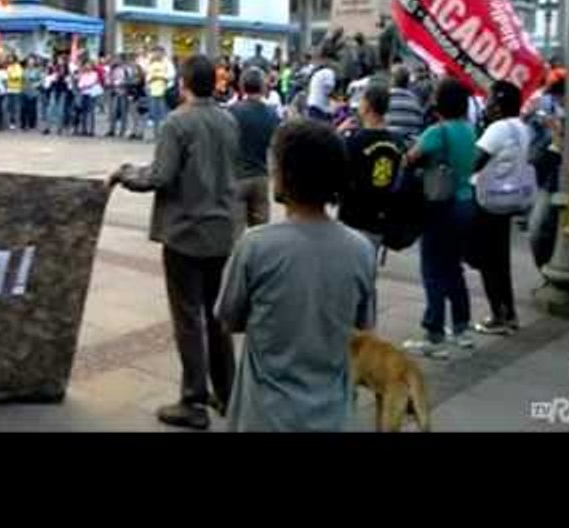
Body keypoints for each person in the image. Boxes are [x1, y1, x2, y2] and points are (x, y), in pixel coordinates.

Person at [215, 119, 375, 432]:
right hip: (332, 414)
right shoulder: (361, 249)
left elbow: (228, 318)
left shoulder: (256, 245)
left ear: (285, 175)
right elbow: (362, 324)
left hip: (264, 415)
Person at [108, 55, 239, 430]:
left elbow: (160, 175)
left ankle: (193, 400)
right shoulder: (228, 119)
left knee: (188, 318)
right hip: (221, 230)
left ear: (183, 83)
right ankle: (227, 392)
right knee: (217, 318)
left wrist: (124, 174)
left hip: (185, 233)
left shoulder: (177, 122)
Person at [403, 78, 478, 359]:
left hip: (440, 205)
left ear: (440, 103)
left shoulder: (438, 131)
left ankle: (434, 332)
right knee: (454, 267)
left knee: (432, 268)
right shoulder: (470, 130)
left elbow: (410, 158)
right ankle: (461, 327)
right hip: (466, 202)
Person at [338, 82, 405, 324]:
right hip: (379, 218)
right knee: (368, 275)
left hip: (353, 217)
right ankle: (367, 325)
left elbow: (337, 170)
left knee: (347, 277)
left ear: (367, 106)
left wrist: (338, 132)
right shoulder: (396, 142)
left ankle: (352, 326)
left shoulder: (355, 141)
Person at [471, 81, 529, 336]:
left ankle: (498, 317)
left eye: (491, 98)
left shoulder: (498, 128)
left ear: (500, 103)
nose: (487, 103)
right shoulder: (521, 128)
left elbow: (474, 161)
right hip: (508, 197)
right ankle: (510, 314)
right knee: (501, 260)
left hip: (488, 200)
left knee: (487, 260)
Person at [229, 68, 280, 236]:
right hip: (261, 177)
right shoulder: (272, 115)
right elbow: (275, 146)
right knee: (261, 233)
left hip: (236, 176)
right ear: (263, 87)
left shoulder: (232, 112)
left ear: (242, 86)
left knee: (234, 235)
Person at [386, 65, 426, 146]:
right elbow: (420, 123)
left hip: (388, 143)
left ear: (392, 80)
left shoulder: (384, 98)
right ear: (407, 82)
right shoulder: (415, 100)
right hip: (409, 146)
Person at [306, 50, 338, 123]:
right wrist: (337, 99)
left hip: (312, 104)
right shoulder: (329, 72)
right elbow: (329, 90)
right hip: (320, 107)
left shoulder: (319, 72)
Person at [146, 47, 171, 140]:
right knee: (154, 114)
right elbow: (148, 78)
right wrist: (153, 78)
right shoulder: (151, 65)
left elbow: (169, 76)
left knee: (163, 114)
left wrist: (159, 76)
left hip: (163, 91)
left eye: (158, 53)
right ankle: (156, 134)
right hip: (153, 91)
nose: (157, 55)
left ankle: (163, 134)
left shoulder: (166, 64)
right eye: (155, 53)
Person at [106, 56, 131, 138]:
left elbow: (130, 80)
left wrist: (122, 83)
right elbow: (109, 79)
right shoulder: (113, 69)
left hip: (124, 92)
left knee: (124, 113)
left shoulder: (127, 69)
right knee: (113, 112)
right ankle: (111, 130)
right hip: (115, 93)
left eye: (118, 59)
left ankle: (122, 130)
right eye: (115, 59)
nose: (116, 61)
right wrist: (111, 83)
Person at [76, 60, 99, 137]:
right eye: (86, 65)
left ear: (92, 66)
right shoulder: (83, 74)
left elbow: (93, 83)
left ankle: (91, 130)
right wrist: (83, 85)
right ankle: (84, 129)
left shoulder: (94, 74)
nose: (87, 66)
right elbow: (80, 84)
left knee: (91, 113)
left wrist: (85, 85)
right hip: (84, 94)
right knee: (84, 112)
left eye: (89, 65)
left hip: (91, 94)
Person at [22, 55, 43, 131]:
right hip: (25, 91)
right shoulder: (24, 70)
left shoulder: (37, 71)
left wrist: (36, 84)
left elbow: (41, 80)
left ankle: (32, 124)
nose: (30, 63)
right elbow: (22, 80)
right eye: (29, 62)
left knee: (32, 109)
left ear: (34, 63)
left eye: (32, 62)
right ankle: (24, 124)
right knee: (24, 108)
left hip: (34, 92)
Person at [5, 56, 24, 130]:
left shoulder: (18, 67)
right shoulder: (9, 67)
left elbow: (18, 77)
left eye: (11, 58)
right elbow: (6, 76)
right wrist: (11, 77)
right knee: (10, 107)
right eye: (9, 58)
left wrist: (11, 76)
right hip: (9, 89)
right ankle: (11, 121)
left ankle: (15, 122)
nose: (10, 59)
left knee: (16, 106)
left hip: (16, 89)